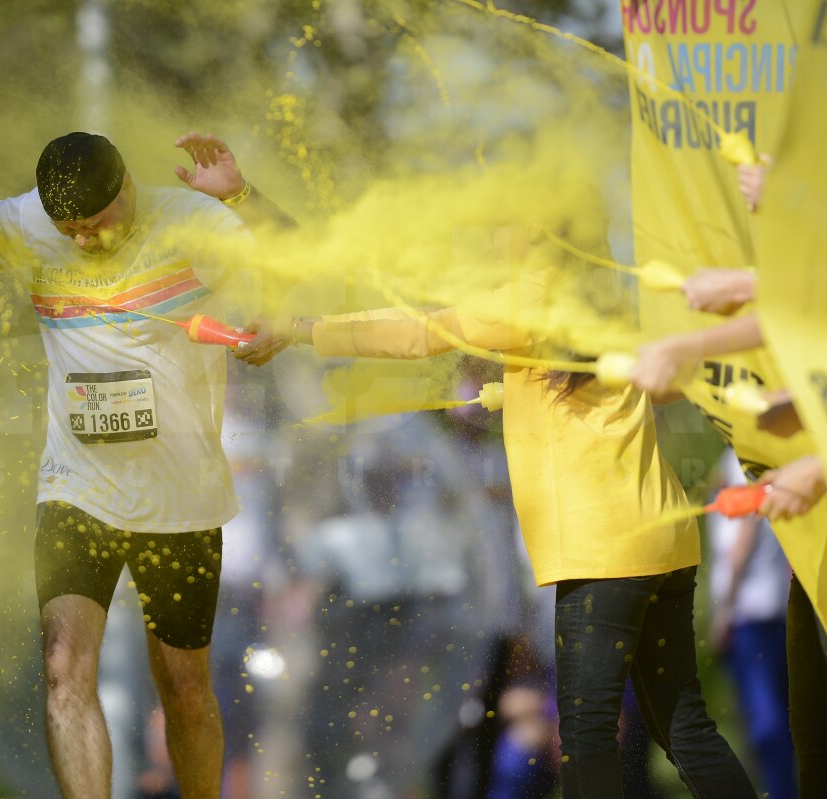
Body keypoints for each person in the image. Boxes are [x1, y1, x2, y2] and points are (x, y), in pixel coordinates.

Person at [0, 125, 289, 799]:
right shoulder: (29, 221)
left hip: (180, 497)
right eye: (69, 229)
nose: (84, 240)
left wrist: (243, 200)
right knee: (63, 668)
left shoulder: (190, 220)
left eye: (96, 224)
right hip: (78, 488)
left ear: (126, 188)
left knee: (185, 688)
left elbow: (296, 258)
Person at [282, 233, 756, 798]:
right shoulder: (603, 302)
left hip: (604, 548)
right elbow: (663, 387)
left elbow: (420, 330)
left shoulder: (531, 298)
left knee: (586, 730)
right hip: (664, 538)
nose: (491, 237)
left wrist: (303, 329)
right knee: (683, 725)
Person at [707, 449, 796, 799]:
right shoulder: (767, 455)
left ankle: (778, 791)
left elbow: (742, 538)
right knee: (783, 715)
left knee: (764, 722)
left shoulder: (738, 460)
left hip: (748, 612)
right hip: (776, 606)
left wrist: (724, 609)